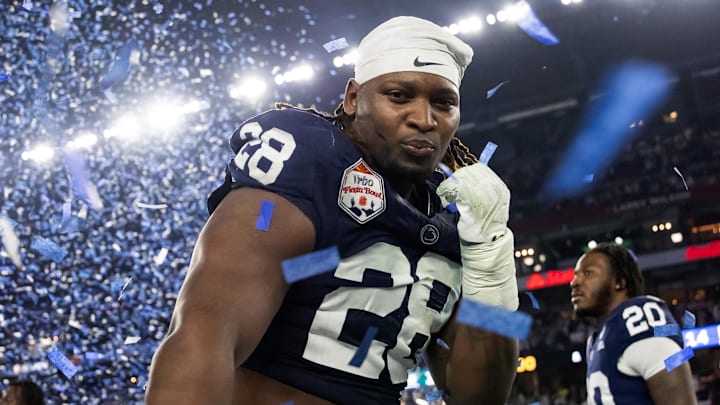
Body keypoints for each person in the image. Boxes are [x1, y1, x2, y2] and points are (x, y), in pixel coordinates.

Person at [146, 15, 519, 405]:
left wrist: (493, 264)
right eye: (399, 95)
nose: (424, 119)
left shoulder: (461, 218)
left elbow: (480, 397)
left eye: (443, 103)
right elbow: (204, 335)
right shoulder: (305, 168)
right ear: (354, 98)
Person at [570, 243, 697, 405]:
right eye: (576, 275)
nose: (575, 282)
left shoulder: (639, 320)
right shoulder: (598, 338)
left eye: (588, 273)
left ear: (619, 282)